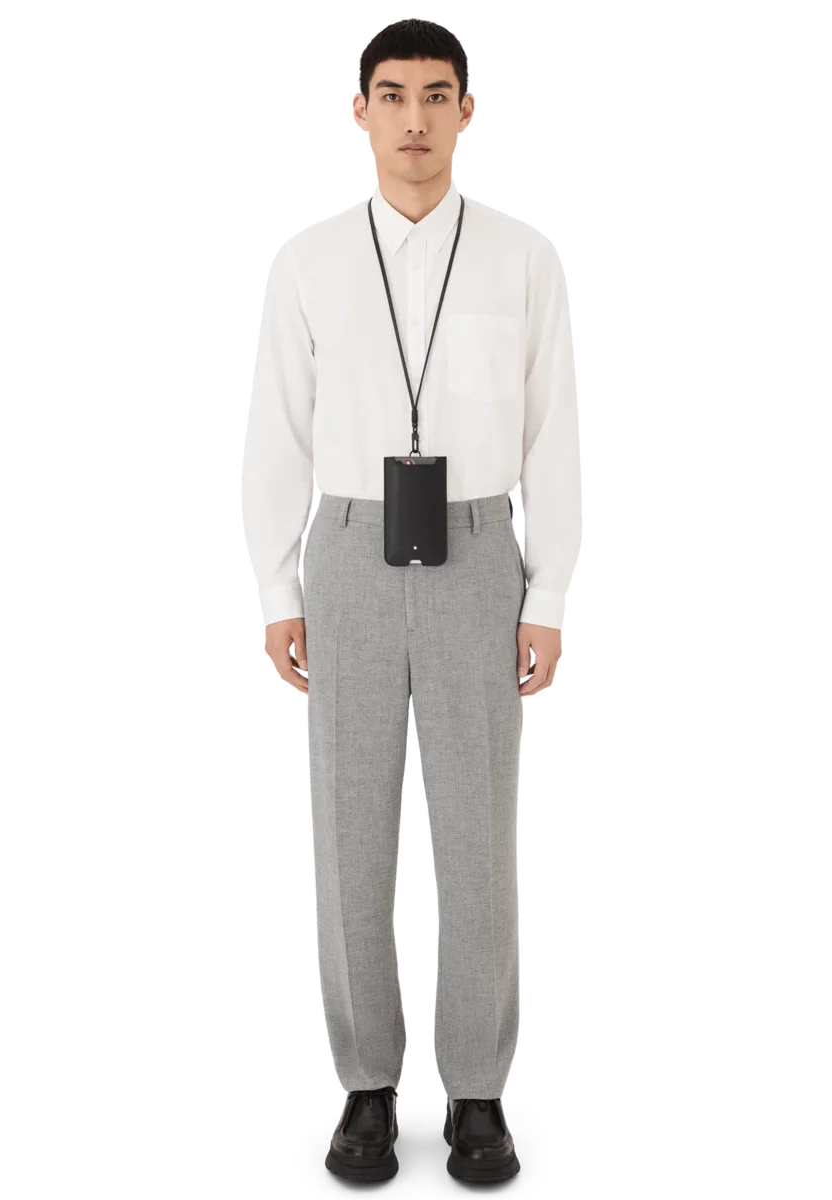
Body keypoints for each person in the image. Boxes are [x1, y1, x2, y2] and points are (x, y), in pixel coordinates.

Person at [239, 17, 581, 1183]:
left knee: (481, 828)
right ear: (359, 113)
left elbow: (555, 436)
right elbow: (275, 433)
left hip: (479, 546)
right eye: (393, 95)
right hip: (346, 543)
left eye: (439, 95)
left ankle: (478, 1089)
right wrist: (277, 585)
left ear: (469, 111)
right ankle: (365, 1082)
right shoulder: (309, 258)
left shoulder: (524, 255)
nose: (417, 118)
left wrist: (549, 593)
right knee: (347, 827)